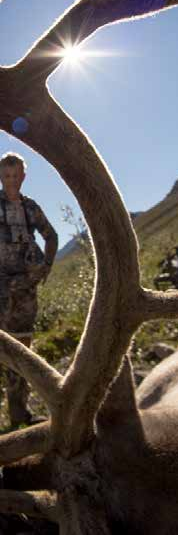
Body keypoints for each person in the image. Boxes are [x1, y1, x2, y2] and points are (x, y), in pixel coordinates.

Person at [0, 152, 58, 427]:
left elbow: (51, 235)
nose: (11, 181)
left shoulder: (30, 208)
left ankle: (18, 415)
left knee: (21, 349)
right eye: (6, 175)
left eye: (16, 175)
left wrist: (45, 267)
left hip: (23, 290)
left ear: (23, 176)